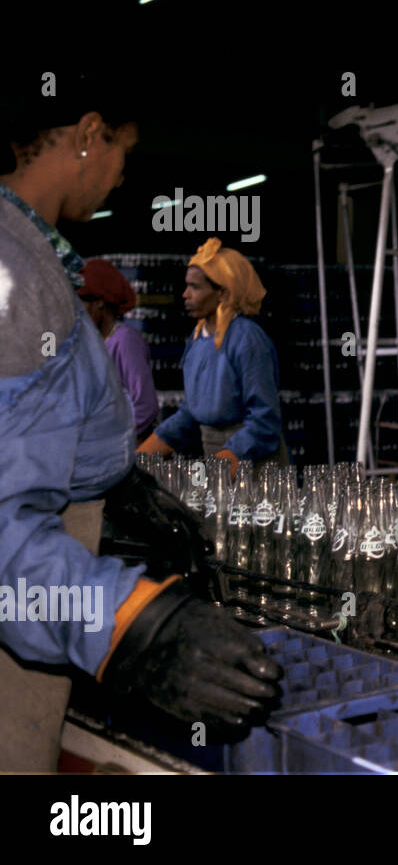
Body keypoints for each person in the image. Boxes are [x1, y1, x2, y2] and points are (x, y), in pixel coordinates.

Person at [0, 71, 281, 771]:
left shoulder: (32, 259)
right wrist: (134, 628)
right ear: (89, 135)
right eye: (123, 149)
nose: (124, 175)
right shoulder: (14, 276)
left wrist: (116, 487)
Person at [138, 238, 288, 474]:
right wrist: (140, 458)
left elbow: (264, 421)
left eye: (195, 287)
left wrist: (217, 467)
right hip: (217, 459)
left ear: (222, 291)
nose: (185, 294)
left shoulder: (247, 339)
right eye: (186, 286)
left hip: (253, 466)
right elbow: (191, 413)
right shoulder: (198, 339)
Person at [77, 257, 158, 442]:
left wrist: (111, 439)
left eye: (80, 303)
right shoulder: (93, 342)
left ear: (99, 302)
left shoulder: (125, 340)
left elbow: (146, 406)